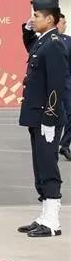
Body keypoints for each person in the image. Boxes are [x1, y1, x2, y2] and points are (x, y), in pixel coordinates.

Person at [17, 0, 68, 237]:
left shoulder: (54, 44)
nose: (32, 19)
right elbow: (30, 46)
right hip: (36, 115)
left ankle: (53, 222)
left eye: (36, 16)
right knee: (40, 166)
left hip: (47, 116)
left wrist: (50, 117)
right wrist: (27, 29)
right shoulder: (42, 42)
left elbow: (56, 86)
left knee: (48, 166)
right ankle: (44, 215)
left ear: (50, 19)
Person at [55, 13, 71, 161]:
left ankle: (64, 144)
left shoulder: (69, 41)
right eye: (62, 22)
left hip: (67, 85)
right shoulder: (48, 40)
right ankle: (51, 145)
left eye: (65, 23)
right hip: (52, 86)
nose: (65, 25)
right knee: (54, 116)